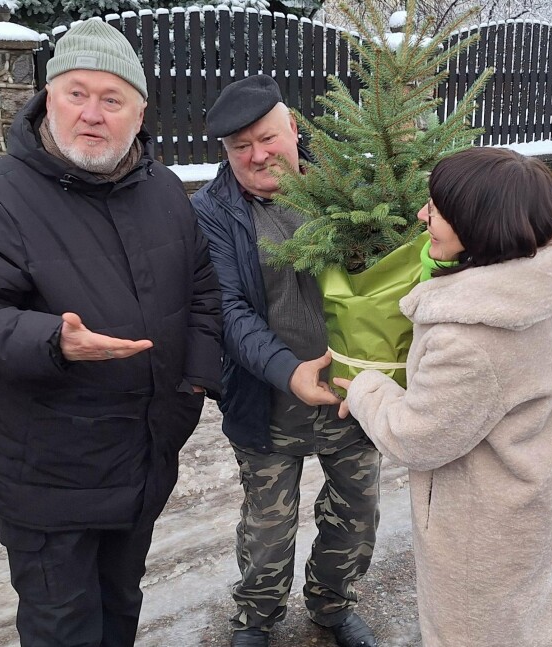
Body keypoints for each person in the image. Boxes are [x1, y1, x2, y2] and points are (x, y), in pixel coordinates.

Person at [0, 18, 222, 646]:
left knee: (120, 608)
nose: (93, 114)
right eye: (76, 93)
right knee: (64, 626)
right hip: (47, 474)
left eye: (112, 99)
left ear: (139, 113)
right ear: (48, 98)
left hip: (142, 457)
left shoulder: (165, 191)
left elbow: (201, 294)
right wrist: (52, 342)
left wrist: (193, 381)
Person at [334, 146, 552, 646]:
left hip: (485, 531)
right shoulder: (539, 288)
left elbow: (416, 437)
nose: (423, 216)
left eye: (436, 209)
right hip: (536, 499)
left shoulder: (471, 337)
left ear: (478, 225)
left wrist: (365, 388)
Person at [190, 74, 380, 647]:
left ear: (293, 128)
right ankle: (257, 618)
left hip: (352, 397)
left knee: (356, 516)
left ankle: (332, 604)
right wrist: (288, 372)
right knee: (268, 529)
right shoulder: (211, 213)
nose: (257, 154)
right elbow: (228, 312)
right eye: (240, 146)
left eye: (267, 138)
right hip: (267, 401)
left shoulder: (351, 187)